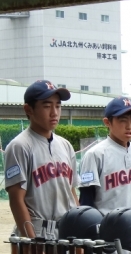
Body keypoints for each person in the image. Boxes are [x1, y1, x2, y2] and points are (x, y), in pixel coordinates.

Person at [5, 80, 79, 239]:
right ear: (28, 109)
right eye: (47, 106)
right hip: (38, 231)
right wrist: (33, 243)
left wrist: (79, 231)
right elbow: (16, 200)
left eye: (58, 106)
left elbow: (72, 192)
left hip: (67, 232)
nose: (54, 112)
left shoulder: (65, 145)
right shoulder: (20, 146)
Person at [79, 96, 131, 231]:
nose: (129, 126)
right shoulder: (95, 154)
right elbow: (86, 199)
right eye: (123, 120)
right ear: (107, 122)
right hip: (108, 230)